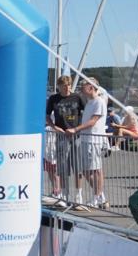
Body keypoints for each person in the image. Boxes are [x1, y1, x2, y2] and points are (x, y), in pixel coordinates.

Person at [44, 75, 85, 206]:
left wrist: (78, 128)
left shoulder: (77, 97)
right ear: (59, 86)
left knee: (77, 166)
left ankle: (78, 195)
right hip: (61, 135)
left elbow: (85, 114)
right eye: (63, 85)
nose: (66, 87)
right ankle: (65, 195)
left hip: (76, 135)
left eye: (68, 85)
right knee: (62, 166)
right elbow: (47, 116)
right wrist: (54, 127)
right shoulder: (53, 98)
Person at [70, 78, 109, 210]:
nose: (81, 87)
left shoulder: (99, 102)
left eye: (83, 85)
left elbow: (93, 121)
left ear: (91, 87)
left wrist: (76, 129)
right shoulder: (90, 103)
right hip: (86, 139)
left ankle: (97, 197)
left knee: (96, 170)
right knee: (88, 170)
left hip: (94, 140)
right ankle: (100, 196)